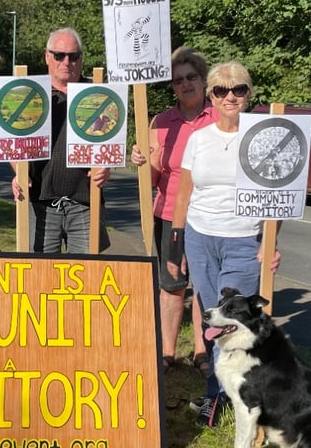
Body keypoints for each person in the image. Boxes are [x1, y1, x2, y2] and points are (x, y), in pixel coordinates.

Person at [169, 61, 281, 428]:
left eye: (239, 90)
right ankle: (215, 393)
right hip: (201, 238)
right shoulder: (198, 138)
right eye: (221, 90)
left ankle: (246, 394)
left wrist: (271, 242)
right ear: (211, 96)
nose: (230, 97)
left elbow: (279, 193)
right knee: (211, 320)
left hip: (243, 240)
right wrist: (177, 245)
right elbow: (183, 195)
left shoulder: (265, 136)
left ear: (249, 93)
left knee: (237, 323)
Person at [130, 47, 216, 377]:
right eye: (178, 80)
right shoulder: (161, 122)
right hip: (168, 214)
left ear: (204, 80)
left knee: (204, 286)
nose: (185, 84)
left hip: (209, 215)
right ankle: (167, 351)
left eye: (191, 77)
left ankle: (201, 349)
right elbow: (152, 178)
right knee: (172, 285)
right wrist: (141, 161)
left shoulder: (219, 118)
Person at [11, 27, 110, 253]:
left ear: (81, 59)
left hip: (85, 202)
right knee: (41, 279)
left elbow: (109, 141)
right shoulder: (28, 95)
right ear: (47, 56)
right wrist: (18, 170)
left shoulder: (97, 94)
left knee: (87, 278)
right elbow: (11, 142)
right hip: (40, 202)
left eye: (73, 56)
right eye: (59, 55)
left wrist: (106, 166)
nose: (67, 62)